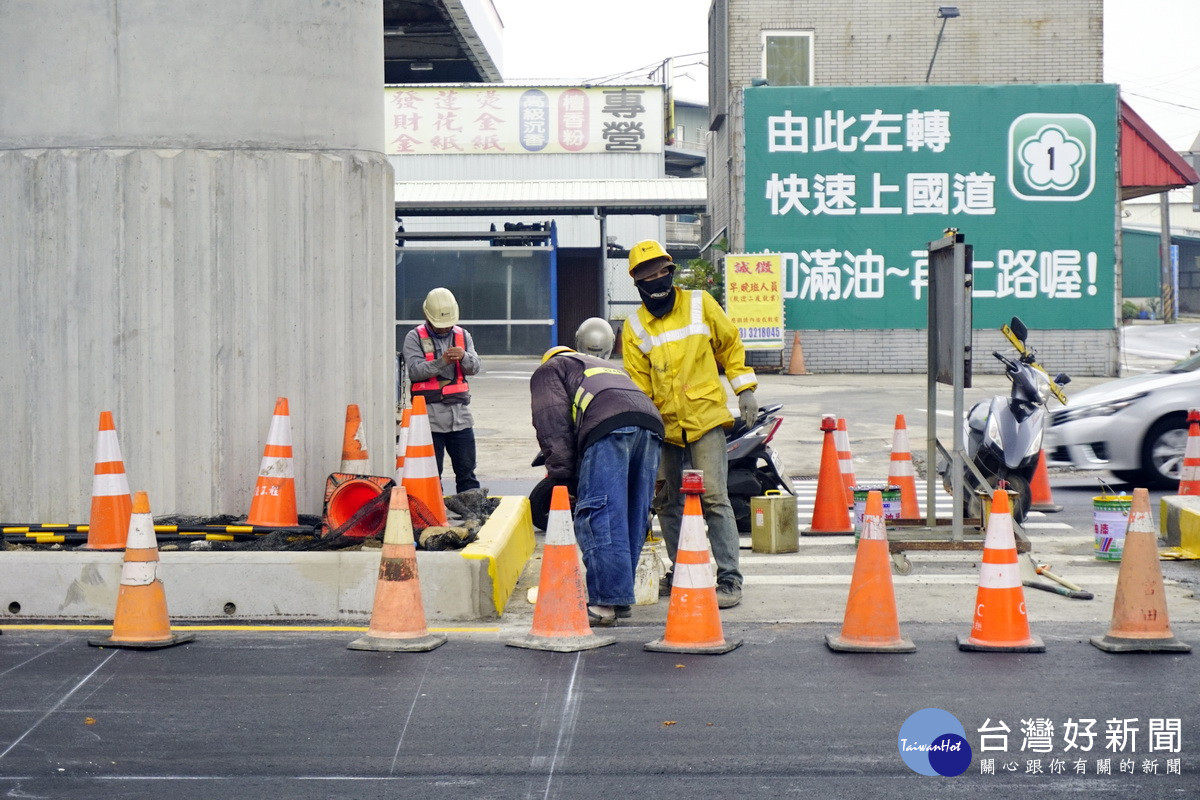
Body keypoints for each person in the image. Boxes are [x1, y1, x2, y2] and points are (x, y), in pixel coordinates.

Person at [621, 240, 758, 609]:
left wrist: (744, 388)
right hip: (663, 425)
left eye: (662, 273)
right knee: (667, 502)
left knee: (714, 498)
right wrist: (643, 427)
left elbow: (730, 345)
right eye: (647, 277)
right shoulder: (634, 327)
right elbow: (638, 384)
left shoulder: (699, 303)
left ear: (671, 272)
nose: (657, 282)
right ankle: (682, 568)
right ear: (637, 283)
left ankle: (729, 579)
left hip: (706, 417)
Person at [530, 318, 664, 626]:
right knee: (631, 515)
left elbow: (553, 424)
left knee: (599, 512)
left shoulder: (550, 369)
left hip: (610, 429)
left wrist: (563, 477)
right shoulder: (601, 368)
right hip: (651, 426)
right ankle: (617, 597)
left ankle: (603, 605)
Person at [403, 287, 482, 493]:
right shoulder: (414, 337)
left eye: (448, 325)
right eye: (440, 326)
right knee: (431, 475)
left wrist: (464, 357)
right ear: (427, 317)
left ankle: (471, 512)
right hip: (430, 421)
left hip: (460, 418)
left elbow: (475, 367)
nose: (445, 329)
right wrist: (442, 362)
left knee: (467, 473)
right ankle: (433, 516)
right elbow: (415, 372)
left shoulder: (463, 335)